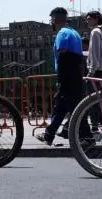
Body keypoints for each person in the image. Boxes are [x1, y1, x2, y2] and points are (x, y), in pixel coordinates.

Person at [36, 7, 92, 145]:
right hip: (76, 74)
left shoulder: (62, 33)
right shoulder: (75, 33)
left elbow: (63, 54)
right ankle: (48, 135)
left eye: (51, 19)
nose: (51, 22)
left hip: (67, 75)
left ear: (54, 19)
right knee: (61, 107)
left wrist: (60, 78)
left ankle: (87, 137)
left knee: (75, 107)